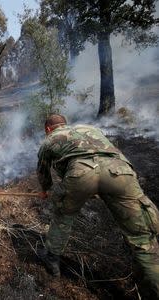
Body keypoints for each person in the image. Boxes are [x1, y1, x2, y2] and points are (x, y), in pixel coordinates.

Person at [37, 114, 159, 298]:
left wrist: (45, 190)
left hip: (81, 174)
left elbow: (43, 170)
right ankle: (151, 286)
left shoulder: (49, 140)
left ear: (48, 129)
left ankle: (52, 259)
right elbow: (102, 152)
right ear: (65, 124)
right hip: (120, 171)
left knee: (63, 216)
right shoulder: (90, 128)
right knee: (142, 237)